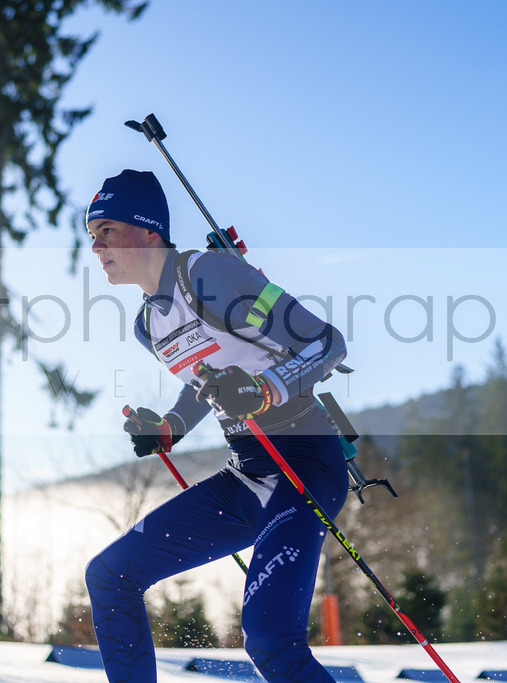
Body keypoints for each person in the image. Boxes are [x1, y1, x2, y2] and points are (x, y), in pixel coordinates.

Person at [83, 169, 350, 683]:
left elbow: (325, 343)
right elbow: (206, 381)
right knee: (110, 575)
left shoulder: (209, 275)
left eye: (107, 231)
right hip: (247, 474)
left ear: (148, 229)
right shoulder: (148, 324)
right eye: (91, 236)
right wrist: (169, 429)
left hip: (303, 463)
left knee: (271, 638)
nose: (96, 247)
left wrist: (265, 387)